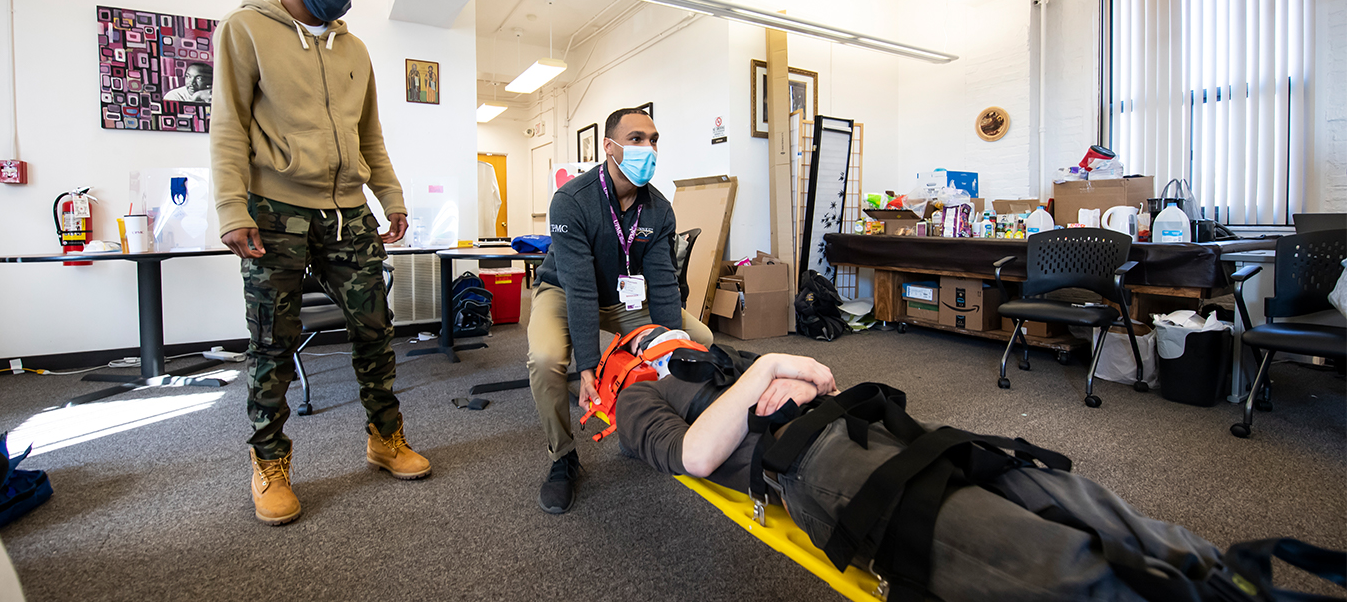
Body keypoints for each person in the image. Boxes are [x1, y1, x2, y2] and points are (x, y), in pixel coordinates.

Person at [614, 334, 1236, 602]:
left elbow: (826, 377)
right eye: (644, 334)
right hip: (808, 461)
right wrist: (775, 364)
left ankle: (1224, 574)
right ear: (626, 355)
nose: (660, 332)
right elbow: (695, 455)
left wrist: (786, 372)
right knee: (1002, 539)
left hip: (875, 422)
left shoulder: (719, 354)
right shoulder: (638, 395)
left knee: (1035, 480)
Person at [210, 0, 429, 527]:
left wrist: (392, 199)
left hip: (345, 213)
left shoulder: (354, 50)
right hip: (273, 210)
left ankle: (385, 438)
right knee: (271, 344)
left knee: (376, 329)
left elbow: (372, 137)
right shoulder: (245, 29)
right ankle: (270, 462)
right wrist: (232, 207)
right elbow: (226, 126)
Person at [527, 107, 714, 514]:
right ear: (609, 147)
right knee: (545, 360)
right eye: (636, 139)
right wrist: (587, 365)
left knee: (698, 340)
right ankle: (562, 458)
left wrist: (669, 351)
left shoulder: (659, 210)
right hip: (564, 290)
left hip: (622, 296)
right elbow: (578, 288)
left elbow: (664, 283)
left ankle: (640, 422)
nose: (648, 148)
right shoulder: (571, 200)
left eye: (653, 139)